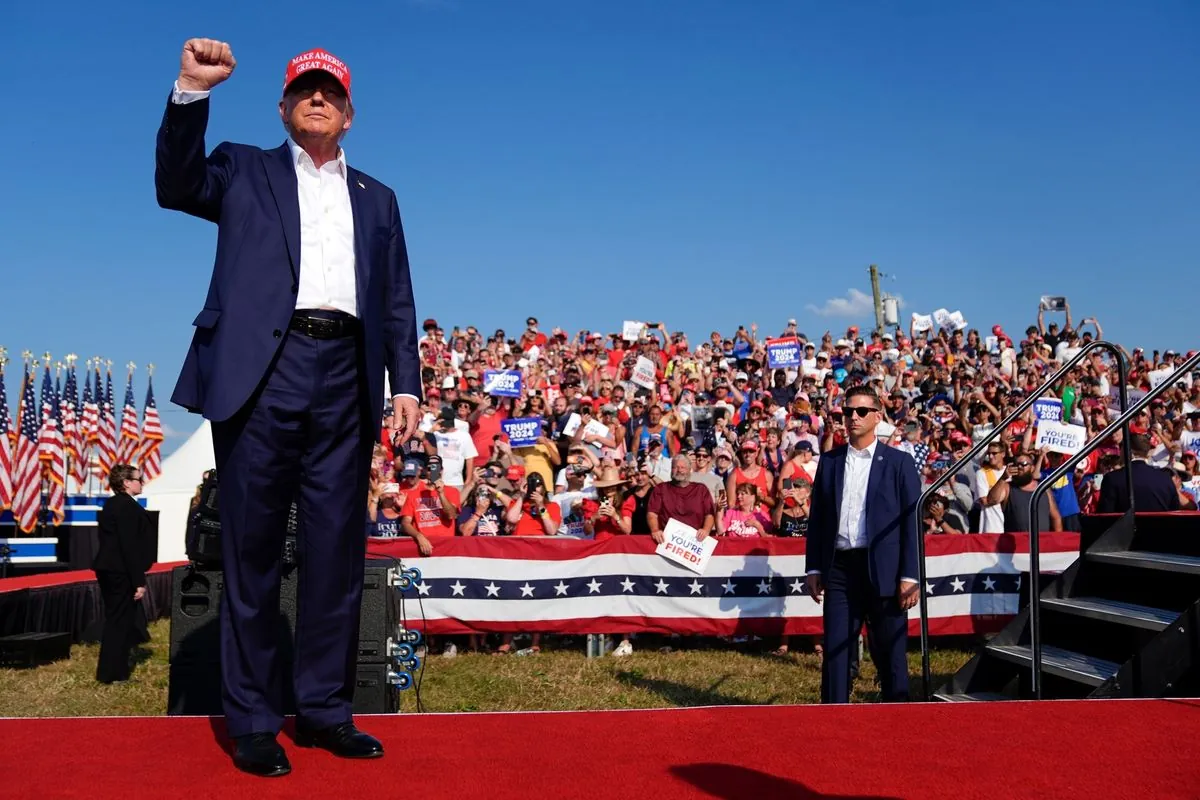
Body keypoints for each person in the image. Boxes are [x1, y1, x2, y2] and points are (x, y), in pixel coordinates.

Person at [156, 40, 422, 776]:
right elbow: (177, 184)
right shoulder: (245, 168)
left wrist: (406, 384)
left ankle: (327, 710)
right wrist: (188, 92)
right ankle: (251, 718)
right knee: (252, 551)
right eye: (303, 90)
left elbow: (396, 298)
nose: (316, 100)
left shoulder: (379, 198)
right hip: (260, 372)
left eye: (329, 92)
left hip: (347, 374)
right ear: (282, 106)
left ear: (348, 114)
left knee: (338, 553)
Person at [806, 386, 921, 704]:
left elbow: (911, 522)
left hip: (884, 569)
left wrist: (910, 576)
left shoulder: (899, 463)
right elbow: (818, 519)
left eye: (860, 411)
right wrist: (814, 566)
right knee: (836, 648)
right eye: (847, 412)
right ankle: (834, 714)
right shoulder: (829, 462)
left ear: (877, 416)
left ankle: (898, 714)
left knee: (890, 650)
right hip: (841, 568)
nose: (852, 417)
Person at [94, 465, 152, 685]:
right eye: (139, 479)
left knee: (117, 620)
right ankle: (112, 674)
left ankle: (112, 670)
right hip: (120, 571)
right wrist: (138, 581)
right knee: (120, 622)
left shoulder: (112, 504)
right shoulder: (126, 507)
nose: (142, 482)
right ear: (126, 482)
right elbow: (129, 546)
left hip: (110, 568)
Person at [1097, 433, 1181, 513]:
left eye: (1121, 448)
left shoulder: (1112, 479)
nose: (1120, 453)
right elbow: (1174, 511)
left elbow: (1105, 517)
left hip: (1126, 527)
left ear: (1129, 452)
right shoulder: (1165, 478)